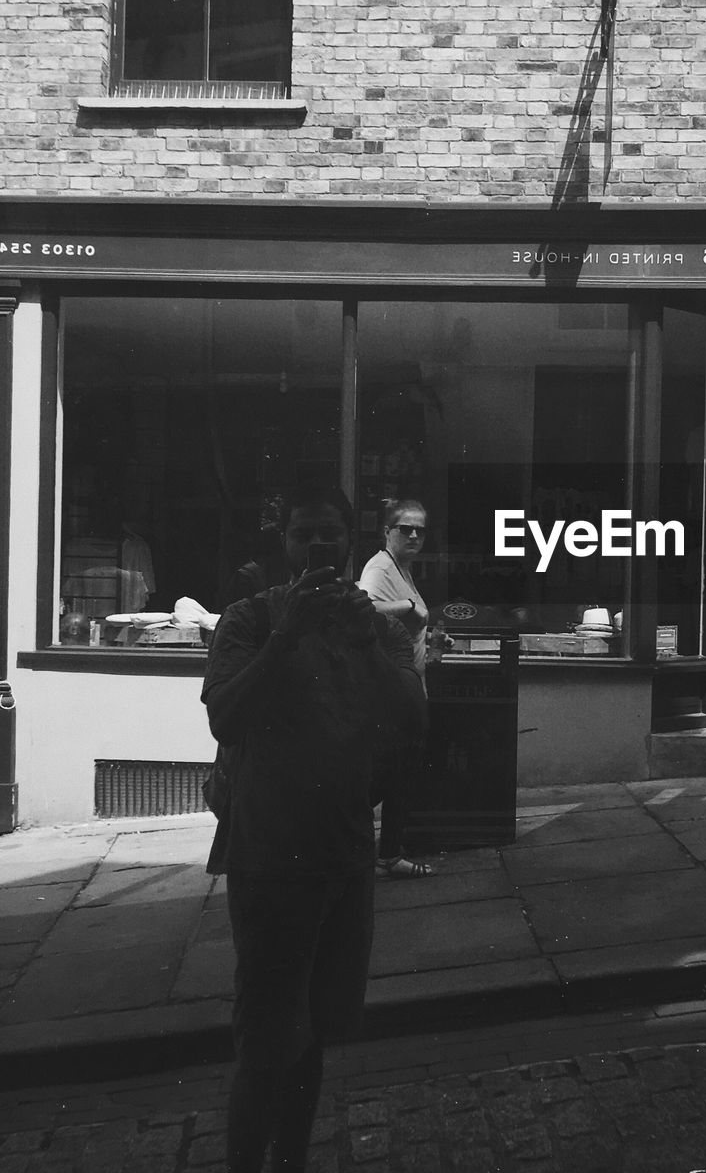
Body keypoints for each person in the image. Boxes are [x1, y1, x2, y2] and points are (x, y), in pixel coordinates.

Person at [203, 484, 428, 1173]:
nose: (322, 547)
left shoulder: (370, 626)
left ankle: (292, 1161)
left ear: (350, 539)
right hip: (271, 859)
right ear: (286, 544)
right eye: (307, 535)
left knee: (317, 1031)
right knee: (268, 1039)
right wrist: (285, 638)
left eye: (333, 534)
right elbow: (225, 718)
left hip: (345, 856)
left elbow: (415, 724)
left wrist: (368, 639)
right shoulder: (248, 618)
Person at [357, 497, 441, 877]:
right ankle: (377, 852)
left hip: (406, 688)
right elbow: (362, 607)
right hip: (389, 692)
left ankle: (387, 852)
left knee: (398, 773)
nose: (413, 535)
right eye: (404, 528)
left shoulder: (401, 567)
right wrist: (408, 607)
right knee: (388, 774)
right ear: (386, 531)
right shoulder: (378, 568)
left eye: (419, 530)